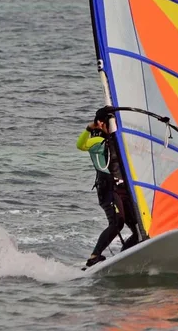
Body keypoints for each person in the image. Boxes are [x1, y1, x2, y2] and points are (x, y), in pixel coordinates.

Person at [76, 106, 139, 268]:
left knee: (139, 229)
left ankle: (124, 257)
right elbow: (81, 145)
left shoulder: (120, 139)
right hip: (109, 190)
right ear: (102, 123)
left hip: (124, 190)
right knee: (117, 222)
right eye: (111, 121)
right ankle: (94, 256)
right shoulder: (98, 141)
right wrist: (90, 128)